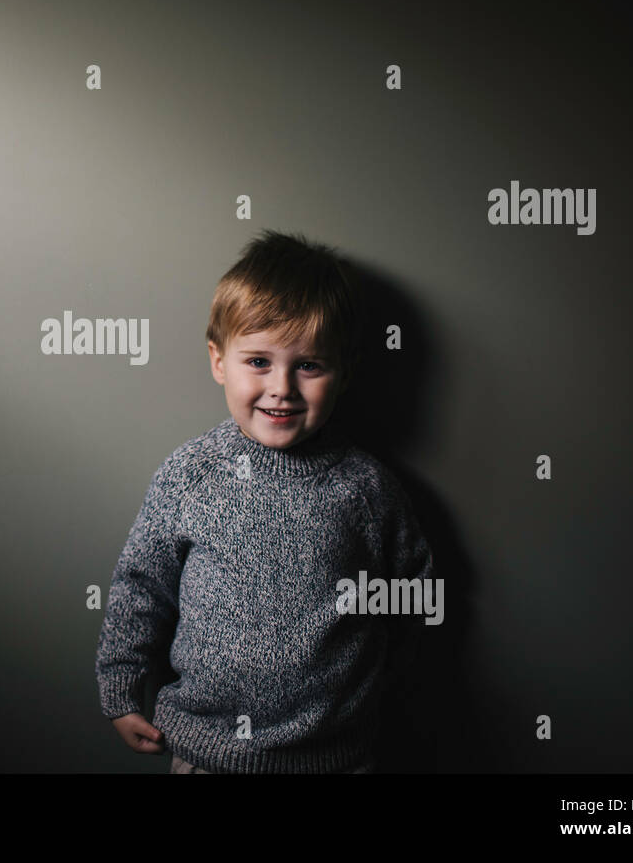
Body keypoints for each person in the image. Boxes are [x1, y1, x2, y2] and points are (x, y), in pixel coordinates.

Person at [95, 229, 434, 773]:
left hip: (336, 758)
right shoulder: (190, 475)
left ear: (342, 372)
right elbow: (141, 586)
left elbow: (413, 597)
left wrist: (376, 689)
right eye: (258, 361)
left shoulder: (366, 488)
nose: (282, 387)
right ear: (218, 361)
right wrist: (122, 687)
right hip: (209, 752)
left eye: (308, 366)